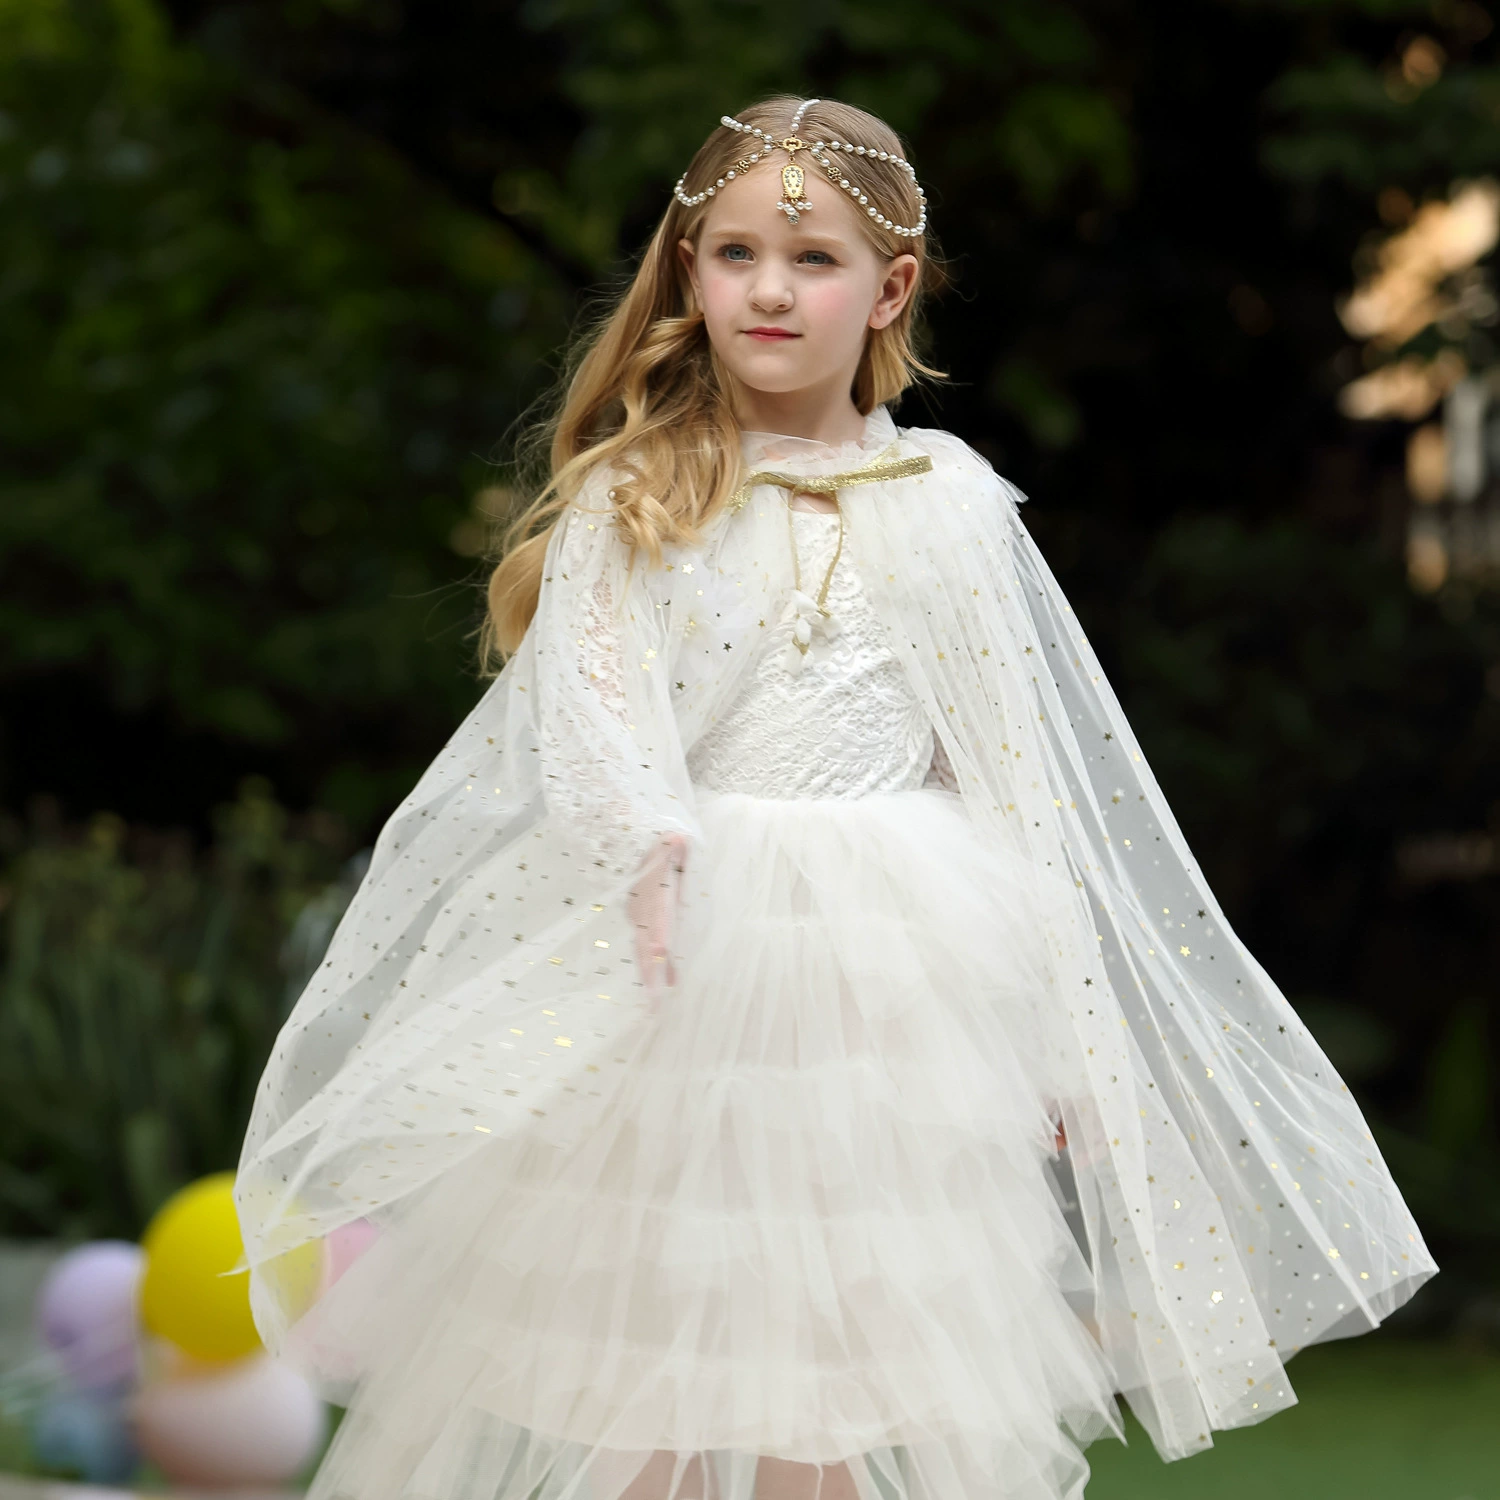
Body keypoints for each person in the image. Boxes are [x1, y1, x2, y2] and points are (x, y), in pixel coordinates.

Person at [233, 96, 1437, 1500]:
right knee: (662, 1366)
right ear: (691, 273)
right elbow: (591, 698)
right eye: (736, 254)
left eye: (813, 260)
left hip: (895, 985)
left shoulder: (950, 498)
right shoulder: (643, 493)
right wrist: (647, 834)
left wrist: (1063, 1037)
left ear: (891, 289)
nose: (770, 289)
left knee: (842, 1372)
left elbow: (1009, 770)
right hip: (687, 970)